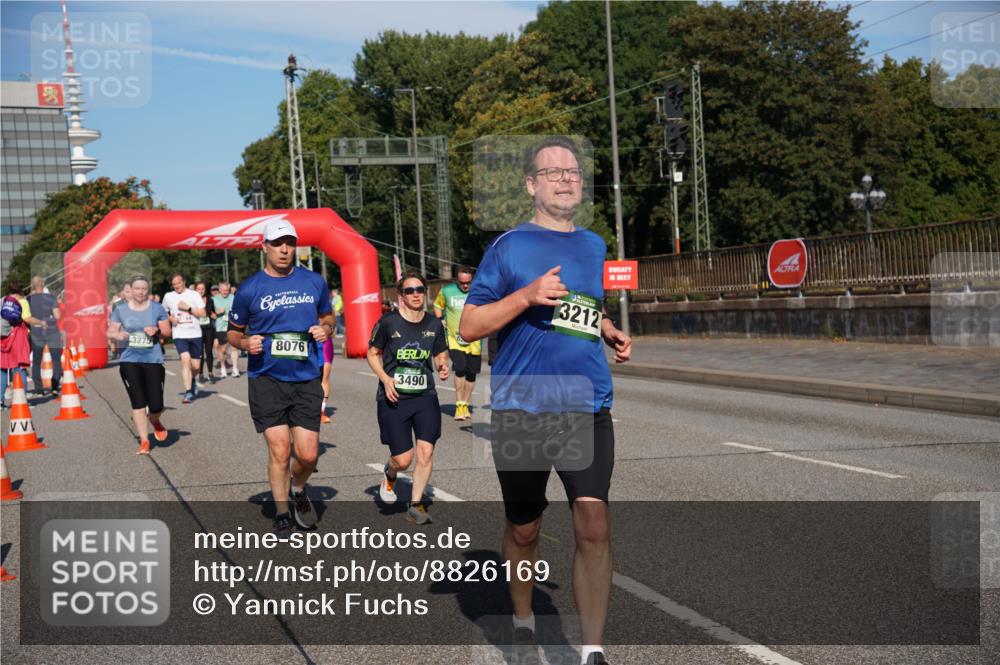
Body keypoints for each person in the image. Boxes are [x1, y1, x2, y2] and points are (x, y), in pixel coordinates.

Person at [459, 136, 632, 665]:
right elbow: (469, 326)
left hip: (585, 403)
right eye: (552, 172)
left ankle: (593, 651)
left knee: (593, 523)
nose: (565, 179)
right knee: (524, 526)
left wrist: (606, 327)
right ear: (531, 185)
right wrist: (526, 295)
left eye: (572, 171)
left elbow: (583, 306)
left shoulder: (594, 245)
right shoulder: (508, 247)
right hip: (523, 407)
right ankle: (522, 618)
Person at [227, 219, 333, 536]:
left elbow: (329, 317)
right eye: (277, 243)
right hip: (266, 378)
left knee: (308, 454)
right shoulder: (249, 289)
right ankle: (283, 512)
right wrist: (245, 343)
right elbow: (233, 333)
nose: (284, 249)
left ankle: (298, 488)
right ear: (265, 247)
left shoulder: (313, 282)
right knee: (280, 450)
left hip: (306, 378)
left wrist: (325, 329)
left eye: (290, 243)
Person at [367, 272, 449, 525]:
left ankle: (415, 504)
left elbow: (440, 352)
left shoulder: (434, 324)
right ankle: (390, 472)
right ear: (401, 296)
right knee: (403, 459)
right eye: (410, 290)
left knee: (426, 451)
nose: (416, 294)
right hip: (394, 396)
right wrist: (385, 378)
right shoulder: (388, 322)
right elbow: (372, 353)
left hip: (425, 395)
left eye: (420, 290)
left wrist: (442, 365)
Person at [107, 275, 171, 454]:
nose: (140, 292)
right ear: (131, 290)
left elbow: (167, 331)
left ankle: (154, 419)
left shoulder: (157, 308)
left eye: (143, 288)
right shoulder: (121, 309)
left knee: (156, 404)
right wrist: (116, 335)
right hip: (129, 360)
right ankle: (144, 441)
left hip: (153, 359)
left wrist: (157, 330)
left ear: (147, 290)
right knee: (138, 402)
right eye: (137, 288)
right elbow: (110, 331)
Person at [434, 266, 481, 420]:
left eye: (468, 282)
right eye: (462, 283)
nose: (465, 286)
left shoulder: (480, 292)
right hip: (454, 339)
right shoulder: (447, 291)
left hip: (475, 340)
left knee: (471, 373)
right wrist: (440, 319)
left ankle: (465, 404)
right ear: (457, 280)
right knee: (460, 368)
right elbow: (437, 306)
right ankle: (459, 404)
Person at [162, 272, 207, 404]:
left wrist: (188, 308)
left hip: (195, 334)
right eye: (174, 284)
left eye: (179, 283)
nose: (177, 286)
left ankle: (192, 380)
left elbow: (203, 313)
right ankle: (188, 392)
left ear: (184, 282)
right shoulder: (168, 296)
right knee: (185, 359)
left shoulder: (194, 294)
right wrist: (171, 318)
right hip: (179, 334)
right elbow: (163, 312)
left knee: (196, 366)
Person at [1, 282, 38, 408]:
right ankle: (22, 400)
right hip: (17, 337)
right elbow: (26, 318)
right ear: (21, 291)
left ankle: (0, 402)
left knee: (2, 369)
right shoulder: (22, 301)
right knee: (20, 368)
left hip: (3, 338)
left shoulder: (2, 300)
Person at [27, 276, 63, 396]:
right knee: (55, 359)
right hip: (52, 331)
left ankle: (39, 389)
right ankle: (55, 386)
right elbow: (57, 316)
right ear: (43, 284)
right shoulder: (51, 298)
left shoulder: (28, 300)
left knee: (36, 361)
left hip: (36, 332)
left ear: (32, 285)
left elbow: (27, 317)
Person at [212, 281, 239, 378]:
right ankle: (223, 367)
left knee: (234, 347)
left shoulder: (233, 298)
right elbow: (210, 314)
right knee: (222, 350)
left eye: (227, 290)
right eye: (223, 290)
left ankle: (235, 369)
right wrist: (217, 312)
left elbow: (239, 310)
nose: (225, 292)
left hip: (233, 325)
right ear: (219, 290)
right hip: (220, 327)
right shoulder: (214, 299)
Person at [195, 282, 216, 385]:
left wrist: (214, 315)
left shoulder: (210, 300)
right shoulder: (193, 300)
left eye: (202, 289)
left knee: (209, 351)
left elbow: (213, 312)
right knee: (200, 353)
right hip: (197, 328)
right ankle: (200, 373)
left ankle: (210, 373)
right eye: (199, 289)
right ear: (196, 290)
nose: (201, 291)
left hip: (209, 329)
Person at [320, 336, 333, 424]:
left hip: (324, 340)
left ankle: (321, 411)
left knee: (324, 378)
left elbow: (332, 328)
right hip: (306, 339)